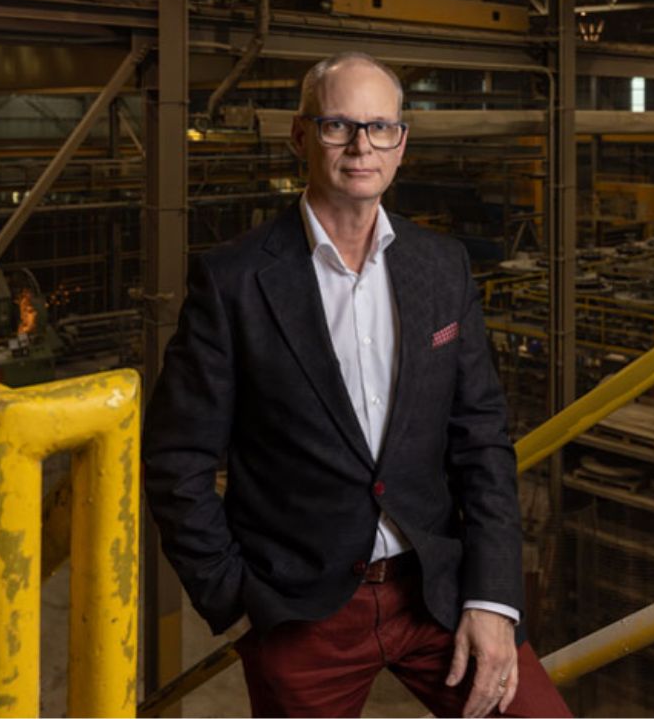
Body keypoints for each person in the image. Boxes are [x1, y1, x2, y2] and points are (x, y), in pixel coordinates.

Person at [142, 52, 572, 719]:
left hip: (435, 587)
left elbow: (481, 439)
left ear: (402, 143)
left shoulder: (441, 267)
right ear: (300, 135)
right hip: (303, 609)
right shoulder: (234, 281)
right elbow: (177, 458)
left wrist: (491, 596)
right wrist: (235, 593)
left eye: (380, 127)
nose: (360, 145)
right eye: (338, 124)